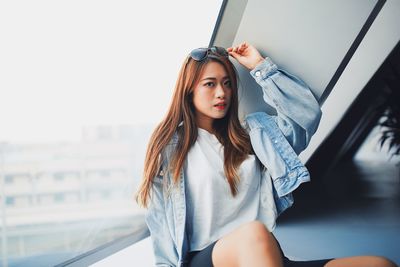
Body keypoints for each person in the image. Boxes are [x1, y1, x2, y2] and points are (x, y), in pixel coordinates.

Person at [135, 42, 398, 267]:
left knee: (379, 264)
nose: (221, 93)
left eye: (227, 83)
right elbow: (159, 222)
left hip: (264, 254)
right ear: (189, 90)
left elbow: (306, 114)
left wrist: (260, 66)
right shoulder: (171, 148)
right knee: (253, 233)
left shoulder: (254, 136)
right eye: (210, 84)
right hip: (208, 260)